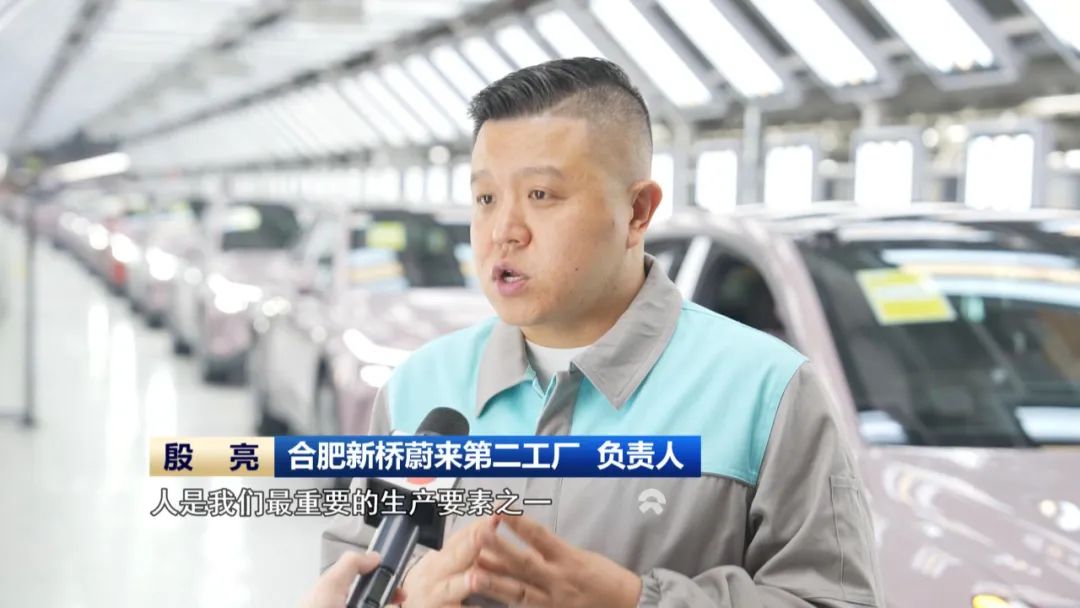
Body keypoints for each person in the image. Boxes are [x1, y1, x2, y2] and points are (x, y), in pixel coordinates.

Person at [318, 57, 884, 607]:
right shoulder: (420, 387)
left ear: (637, 211)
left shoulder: (768, 394)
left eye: (541, 195)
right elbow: (352, 571)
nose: (503, 231)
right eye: (485, 198)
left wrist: (636, 601)